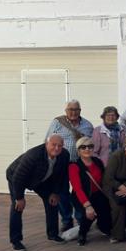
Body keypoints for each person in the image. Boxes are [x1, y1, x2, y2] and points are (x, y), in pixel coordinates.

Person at [6, 135, 70, 251]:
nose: (56, 148)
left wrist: (55, 193)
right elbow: (18, 178)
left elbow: (61, 176)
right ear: (46, 144)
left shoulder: (64, 155)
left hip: (41, 179)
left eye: (59, 146)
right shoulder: (33, 155)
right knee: (17, 207)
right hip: (17, 177)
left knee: (52, 202)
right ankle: (16, 241)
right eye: (53, 145)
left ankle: (53, 234)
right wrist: (20, 198)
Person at [45, 99, 94, 231]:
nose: (73, 112)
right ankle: (67, 220)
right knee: (62, 193)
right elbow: (47, 141)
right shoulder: (57, 122)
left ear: (80, 111)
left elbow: (91, 145)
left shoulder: (87, 125)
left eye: (76, 109)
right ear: (66, 111)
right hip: (61, 163)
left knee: (79, 192)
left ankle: (80, 218)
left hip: (79, 164)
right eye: (70, 109)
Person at [69, 137, 111, 246]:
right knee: (88, 214)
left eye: (90, 146)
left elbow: (104, 180)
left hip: (97, 193)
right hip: (82, 196)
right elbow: (77, 188)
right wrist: (87, 206)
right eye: (83, 147)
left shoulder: (98, 162)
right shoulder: (74, 166)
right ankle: (82, 233)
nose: (87, 149)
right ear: (78, 150)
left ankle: (102, 226)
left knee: (106, 216)